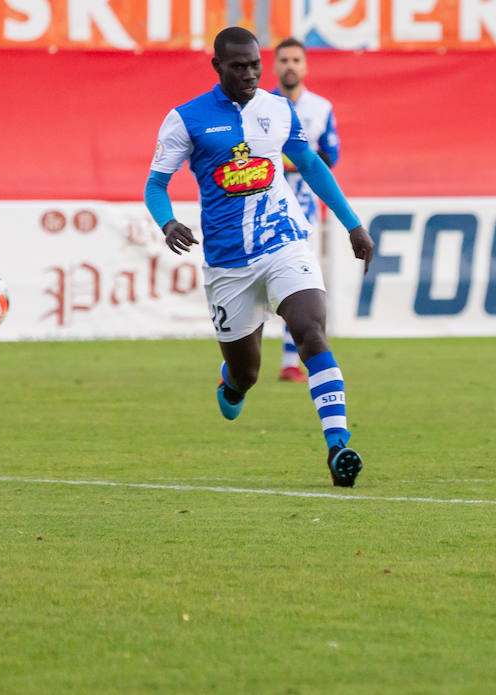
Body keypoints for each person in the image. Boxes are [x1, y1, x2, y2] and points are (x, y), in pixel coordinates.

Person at [143, 26, 375, 488]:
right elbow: (156, 185)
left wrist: (353, 224)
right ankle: (229, 382)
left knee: (310, 330)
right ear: (217, 67)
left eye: (255, 65)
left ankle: (338, 446)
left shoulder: (278, 110)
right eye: (239, 66)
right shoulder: (185, 119)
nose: (250, 74)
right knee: (246, 375)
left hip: (284, 242)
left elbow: (310, 165)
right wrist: (168, 222)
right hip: (229, 265)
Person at [270, 36, 343, 383]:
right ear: (275, 65)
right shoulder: (261, 105)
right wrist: (299, 159)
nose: (290, 66)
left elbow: (331, 157)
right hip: (265, 207)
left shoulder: (321, 108)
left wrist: (296, 161)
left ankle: (290, 361)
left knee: (299, 284)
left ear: (305, 66)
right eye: (284, 60)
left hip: (305, 212)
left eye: (295, 60)